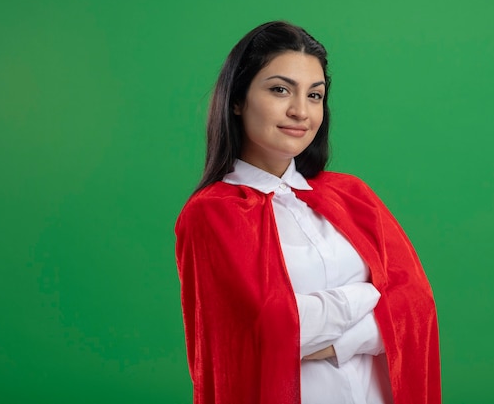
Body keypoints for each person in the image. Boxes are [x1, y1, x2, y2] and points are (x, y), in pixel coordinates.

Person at [175, 21, 441, 404]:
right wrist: (369, 297)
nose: (300, 111)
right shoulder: (211, 214)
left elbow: (417, 309)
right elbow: (265, 333)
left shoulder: (352, 195)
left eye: (314, 95)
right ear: (237, 99)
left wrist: (334, 343)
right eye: (280, 90)